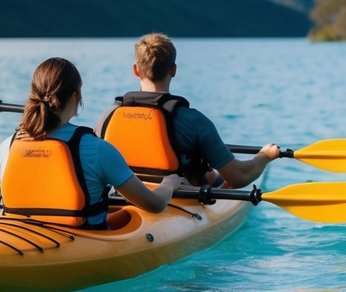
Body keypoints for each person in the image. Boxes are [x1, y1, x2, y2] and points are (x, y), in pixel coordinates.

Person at [0, 56, 179, 227]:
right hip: (81, 240)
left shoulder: (9, 145)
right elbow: (154, 205)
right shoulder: (97, 149)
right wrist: (169, 183)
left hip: (20, 236)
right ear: (76, 95)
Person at [98, 33, 280, 188]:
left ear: (136, 70)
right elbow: (238, 177)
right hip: (180, 200)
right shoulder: (193, 121)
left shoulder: (109, 116)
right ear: (174, 70)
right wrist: (264, 156)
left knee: (211, 175)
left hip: (124, 197)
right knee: (214, 175)